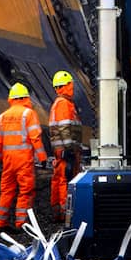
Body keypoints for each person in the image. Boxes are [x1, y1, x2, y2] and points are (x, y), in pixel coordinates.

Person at [0, 82, 47, 231]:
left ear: (11, 99)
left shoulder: (2, 117)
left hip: (8, 161)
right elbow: (35, 138)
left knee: (7, 190)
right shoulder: (28, 114)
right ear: (25, 98)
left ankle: (0, 224)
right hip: (24, 161)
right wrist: (42, 158)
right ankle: (21, 224)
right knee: (25, 191)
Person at [48, 70, 82, 224]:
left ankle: (58, 213)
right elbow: (64, 128)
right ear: (66, 85)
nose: (73, 88)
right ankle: (64, 214)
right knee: (65, 181)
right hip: (66, 151)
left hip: (61, 151)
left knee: (59, 180)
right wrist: (69, 148)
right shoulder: (63, 104)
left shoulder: (61, 103)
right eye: (71, 85)